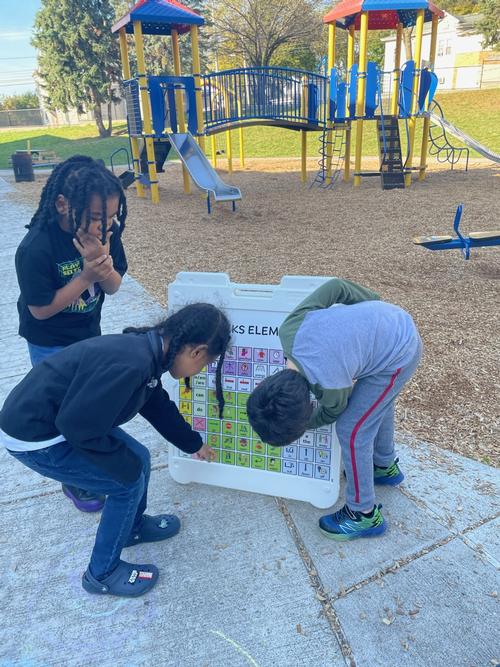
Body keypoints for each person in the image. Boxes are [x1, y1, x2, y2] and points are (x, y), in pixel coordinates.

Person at [0, 303, 230, 597]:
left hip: (63, 420)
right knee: (126, 483)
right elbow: (77, 427)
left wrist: (192, 443)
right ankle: (101, 573)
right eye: (206, 364)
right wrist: (121, 467)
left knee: (141, 459)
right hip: (37, 437)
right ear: (196, 351)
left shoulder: (149, 352)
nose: (200, 370)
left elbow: (155, 404)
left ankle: (132, 527)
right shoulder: (132, 363)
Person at [246, 278, 422, 541]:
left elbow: (332, 413)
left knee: (352, 430)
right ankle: (383, 466)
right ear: (265, 383)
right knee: (374, 406)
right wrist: (373, 304)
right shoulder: (288, 330)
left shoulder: (330, 386)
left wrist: (307, 424)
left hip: (400, 351)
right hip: (392, 321)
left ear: (306, 411)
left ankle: (363, 514)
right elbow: (336, 287)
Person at [15, 155, 128, 512]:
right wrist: (85, 277)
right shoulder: (36, 246)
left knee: (88, 405)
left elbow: (114, 286)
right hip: (50, 344)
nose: (103, 226)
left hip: (88, 335)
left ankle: (91, 461)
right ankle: (75, 479)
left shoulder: (106, 237)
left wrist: (103, 265)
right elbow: (41, 309)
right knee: (62, 412)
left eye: (110, 218)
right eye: (96, 218)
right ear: (63, 204)